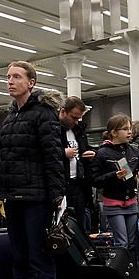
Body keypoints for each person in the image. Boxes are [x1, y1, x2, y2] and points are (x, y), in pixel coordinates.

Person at [0, 61, 64, 279]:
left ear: (31, 82)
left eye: (16, 77)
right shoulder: (10, 116)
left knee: (39, 257)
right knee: (19, 257)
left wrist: (57, 194)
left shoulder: (44, 113)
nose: (10, 81)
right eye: (8, 77)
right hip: (13, 195)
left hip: (37, 197)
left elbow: (52, 155)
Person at [93, 115, 139, 252]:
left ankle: (133, 270)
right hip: (113, 202)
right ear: (113, 133)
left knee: (132, 241)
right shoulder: (102, 153)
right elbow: (95, 179)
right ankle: (121, 272)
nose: (129, 132)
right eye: (125, 129)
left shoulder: (134, 150)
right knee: (122, 242)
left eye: (130, 128)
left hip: (132, 202)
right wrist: (113, 176)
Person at [59, 96, 96, 231]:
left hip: (79, 183)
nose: (76, 121)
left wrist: (90, 153)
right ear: (63, 111)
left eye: (78, 118)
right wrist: (63, 153)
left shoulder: (79, 131)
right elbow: (45, 152)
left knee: (79, 224)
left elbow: (83, 150)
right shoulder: (53, 130)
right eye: (73, 117)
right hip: (61, 184)